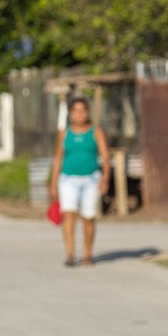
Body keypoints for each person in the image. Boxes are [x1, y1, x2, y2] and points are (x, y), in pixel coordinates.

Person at [48, 96, 110, 267]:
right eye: (76, 111)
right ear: (71, 113)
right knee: (69, 214)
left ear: (87, 112)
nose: (79, 114)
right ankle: (70, 254)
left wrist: (105, 179)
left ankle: (87, 255)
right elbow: (58, 159)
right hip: (68, 180)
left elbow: (105, 157)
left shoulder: (96, 132)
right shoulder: (64, 134)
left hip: (91, 179)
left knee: (88, 217)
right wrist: (53, 183)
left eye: (82, 110)